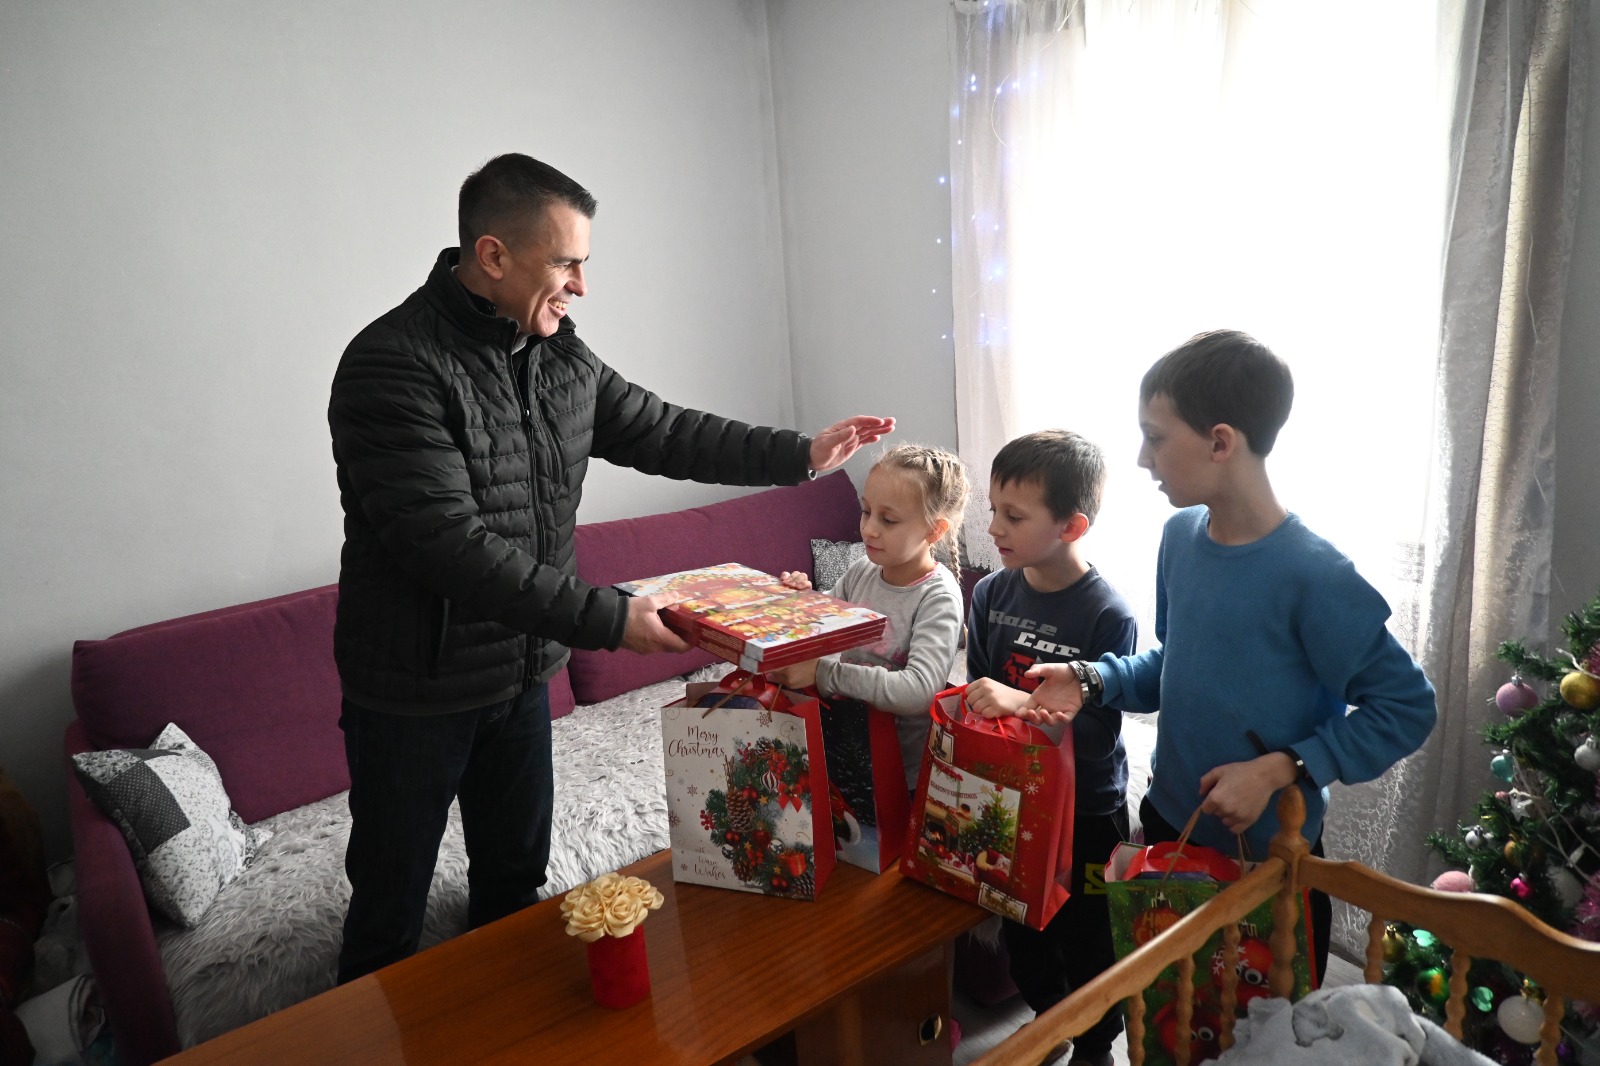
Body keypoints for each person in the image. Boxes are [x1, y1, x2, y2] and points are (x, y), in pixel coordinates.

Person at [327, 152, 893, 983]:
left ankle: (511, 1034)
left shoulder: (558, 354)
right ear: (493, 255)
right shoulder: (392, 365)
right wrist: (611, 619)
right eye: (566, 263)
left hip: (522, 676)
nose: (582, 286)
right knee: (389, 911)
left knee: (513, 889)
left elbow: (665, 431)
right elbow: (447, 545)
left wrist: (799, 454)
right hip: (415, 691)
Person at [1011, 329, 1438, 986]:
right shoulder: (1180, 536)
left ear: (1219, 442)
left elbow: (1407, 709)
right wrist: (1091, 679)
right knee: (1166, 1012)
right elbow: (1174, 665)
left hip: (1268, 857)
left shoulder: (1316, 576)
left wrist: (1280, 768)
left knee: (1259, 1029)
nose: (1142, 458)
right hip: (1168, 829)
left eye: (1155, 437)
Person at [962, 429, 1138, 1066]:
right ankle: (1047, 1023)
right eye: (993, 510)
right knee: (1024, 932)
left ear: (1071, 526)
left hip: (1088, 810)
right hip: (1015, 800)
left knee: (1091, 940)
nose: (993, 528)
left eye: (1014, 516)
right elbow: (979, 695)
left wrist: (1019, 704)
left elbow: (1098, 737)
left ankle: (1094, 1045)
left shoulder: (1107, 614)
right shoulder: (990, 594)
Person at [769, 444, 970, 790]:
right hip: (844, 749)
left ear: (934, 531)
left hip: (897, 776)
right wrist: (801, 601)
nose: (869, 529)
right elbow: (822, 623)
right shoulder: (862, 571)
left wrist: (822, 673)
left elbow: (920, 691)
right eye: (866, 512)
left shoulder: (938, 596)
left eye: (888, 520)